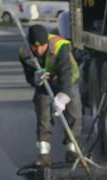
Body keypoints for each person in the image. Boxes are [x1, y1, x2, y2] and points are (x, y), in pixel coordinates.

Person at [18, 23, 81, 168]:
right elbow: (28, 76)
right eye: (35, 47)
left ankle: (72, 151)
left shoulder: (60, 46)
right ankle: (44, 154)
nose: (39, 50)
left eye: (42, 46)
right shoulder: (24, 53)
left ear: (47, 42)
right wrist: (35, 78)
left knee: (74, 112)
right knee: (43, 113)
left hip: (68, 80)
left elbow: (66, 75)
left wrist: (63, 98)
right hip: (44, 83)